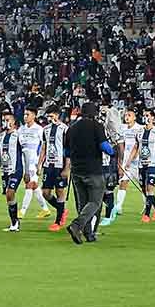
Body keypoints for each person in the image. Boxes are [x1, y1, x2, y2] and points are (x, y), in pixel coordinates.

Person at [64, 102, 116, 245]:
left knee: (83, 204)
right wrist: (113, 151)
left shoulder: (71, 128)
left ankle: (89, 234)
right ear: (94, 113)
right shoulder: (96, 126)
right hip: (93, 170)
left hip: (76, 171)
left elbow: (66, 152)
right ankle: (76, 225)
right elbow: (105, 147)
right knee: (95, 202)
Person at [123, 109, 155, 222]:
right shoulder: (140, 131)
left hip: (153, 164)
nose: (145, 117)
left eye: (147, 115)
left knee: (149, 188)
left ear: (153, 118)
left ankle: (146, 214)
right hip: (141, 164)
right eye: (144, 115)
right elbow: (136, 147)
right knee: (143, 189)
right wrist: (128, 161)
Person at [37, 105, 70, 231]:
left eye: (52, 116)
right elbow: (44, 148)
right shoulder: (45, 130)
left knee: (60, 191)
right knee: (45, 192)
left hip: (60, 164)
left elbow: (68, 150)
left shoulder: (65, 129)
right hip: (48, 165)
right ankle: (62, 210)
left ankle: (57, 221)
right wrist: (39, 164)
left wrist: (67, 168)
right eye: (48, 116)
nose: (50, 118)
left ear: (57, 115)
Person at [18, 106, 50, 220]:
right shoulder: (21, 129)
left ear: (34, 116)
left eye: (28, 114)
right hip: (24, 162)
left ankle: (22, 211)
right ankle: (45, 209)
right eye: (25, 114)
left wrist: (40, 164)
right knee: (34, 186)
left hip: (34, 162)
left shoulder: (39, 130)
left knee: (29, 184)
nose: (25, 116)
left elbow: (44, 147)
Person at [99, 103, 126, 226]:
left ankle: (109, 215)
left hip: (111, 161)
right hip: (100, 161)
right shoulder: (100, 129)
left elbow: (120, 147)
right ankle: (111, 207)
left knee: (108, 188)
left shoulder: (116, 132)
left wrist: (120, 164)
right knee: (100, 189)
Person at [0, 110, 23, 232]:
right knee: (8, 197)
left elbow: (25, 153)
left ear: (13, 122)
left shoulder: (18, 136)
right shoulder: (0, 136)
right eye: (4, 120)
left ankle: (15, 222)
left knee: (10, 192)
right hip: (4, 171)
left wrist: (28, 170)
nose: (5, 122)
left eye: (8, 120)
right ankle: (14, 222)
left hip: (16, 169)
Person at [115, 108, 143, 215]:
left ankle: (147, 205)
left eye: (129, 115)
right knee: (123, 182)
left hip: (137, 161)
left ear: (135, 117)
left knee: (142, 184)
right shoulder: (122, 128)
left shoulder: (140, 128)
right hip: (126, 160)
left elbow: (139, 145)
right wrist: (120, 162)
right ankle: (118, 206)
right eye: (126, 115)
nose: (127, 117)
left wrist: (133, 158)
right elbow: (120, 146)